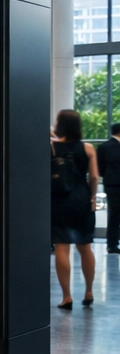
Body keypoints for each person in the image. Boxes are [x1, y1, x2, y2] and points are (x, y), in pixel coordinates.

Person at [52, 108, 99, 309]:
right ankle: (89, 291)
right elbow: (95, 176)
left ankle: (66, 296)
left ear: (59, 124)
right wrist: (93, 196)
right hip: (82, 200)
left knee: (62, 247)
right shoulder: (88, 148)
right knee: (85, 247)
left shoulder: (51, 147)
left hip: (59, 200)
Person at [97, 122, 120, 255]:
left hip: (112, 185)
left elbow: (100, 169)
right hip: (116, 184)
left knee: (114, 215)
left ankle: (112, 244)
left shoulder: (104, 147)